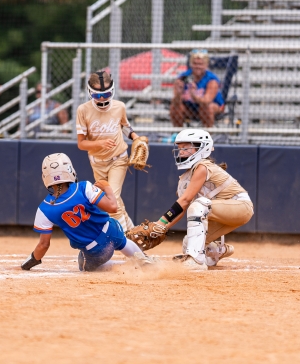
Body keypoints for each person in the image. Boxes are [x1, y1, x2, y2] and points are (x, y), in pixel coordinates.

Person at [21, 153, 153, 272]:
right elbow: (113, 207)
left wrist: (28, 263)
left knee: (83, 264)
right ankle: (143, 260)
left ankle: (123, 266)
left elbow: (44, 245)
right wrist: (107, 188)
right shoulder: (84, 187)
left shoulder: (44, 208)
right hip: (112, 230)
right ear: (69, 170)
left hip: (97, 250)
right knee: (121, 240)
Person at [152, 129, 254, 270]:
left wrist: (160, 223)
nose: (181, 151)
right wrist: (161, 228)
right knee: (189, 244)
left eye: (186, 148)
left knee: (199, 205)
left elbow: (185, 200)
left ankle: (196, 261)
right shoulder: (186, 177)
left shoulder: (202, 166)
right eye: (180, 148)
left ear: (201, 148)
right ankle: (217, 251)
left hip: (240, 206)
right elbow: (182, 208)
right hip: (220, 211)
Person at [76, 70, 148, 233]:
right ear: (90, 92)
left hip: (118, 159)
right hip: (97, 163)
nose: (102, 98)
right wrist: (100, 143)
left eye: (106, 94)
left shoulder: (119, 106)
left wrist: (136, 137)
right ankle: (134, 232)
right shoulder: (83, 110)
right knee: (116, 202)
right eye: (97, 95)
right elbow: (81, 144)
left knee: (111, 200)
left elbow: (124, 126)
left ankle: (125, 239)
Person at [169, 49, 225, 128]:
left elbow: (206, 101)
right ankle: (178, 134)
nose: (197, 66)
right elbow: (175, 102)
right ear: (191, 64)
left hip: (212, 106)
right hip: (190, 107)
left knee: (206, 107)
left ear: (206, 65)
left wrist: (193, 95)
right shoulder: (183, 77)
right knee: (175, 107)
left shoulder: (211, 79)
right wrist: (178, 94)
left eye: (200, 64)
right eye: (195, 63)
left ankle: (208, 134)